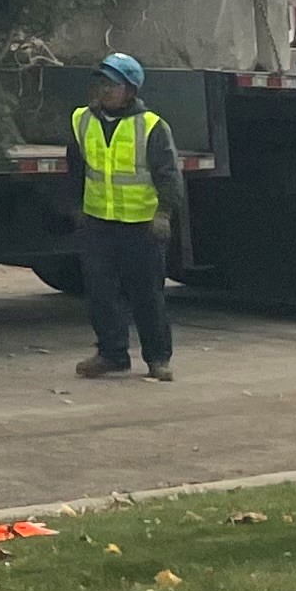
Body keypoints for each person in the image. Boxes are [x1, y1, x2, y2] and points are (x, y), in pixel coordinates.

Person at [67, 52, 189, 383]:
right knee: (100, 292)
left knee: (147, 294)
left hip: (141, 225)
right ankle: (112, 354)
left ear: (130, 91)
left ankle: (158, 358)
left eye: (113, 84)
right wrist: (77, 207)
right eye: (101, 83)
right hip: (98, 223)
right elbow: (76, 169)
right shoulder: (82, 120)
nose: (105, 90)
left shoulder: (151, 126)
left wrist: (163, 213)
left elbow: (168, 175)